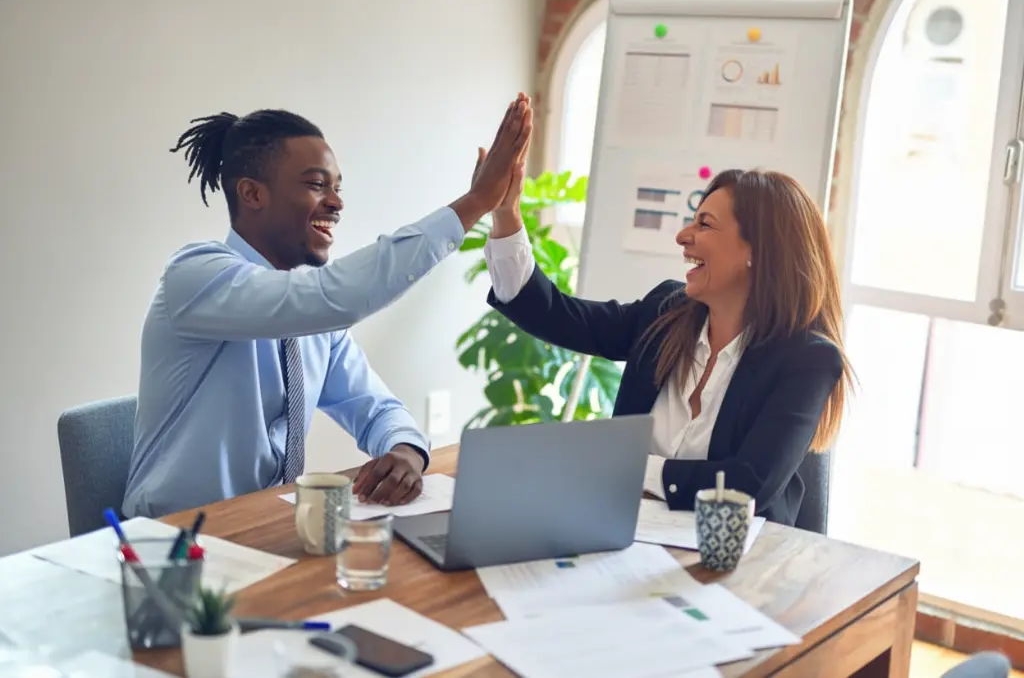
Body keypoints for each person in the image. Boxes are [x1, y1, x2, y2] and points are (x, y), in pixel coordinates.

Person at [122, 96, 533, 519]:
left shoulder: (314, 318)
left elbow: (376, 408)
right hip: (170, 542)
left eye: (337, 187)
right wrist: (475, 202)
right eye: (316, 184)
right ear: (252, 193)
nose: (336, 203)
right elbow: (332, 297)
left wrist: (406, 451)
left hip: (264, 529)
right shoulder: (195, 277)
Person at [480, 153, 852, 526]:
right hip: (627, 538)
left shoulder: (806, 360)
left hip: (736, 561)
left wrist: (633, 468)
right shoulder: (667, 312)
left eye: (704, 225)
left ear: (756, 251)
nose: (683, 236)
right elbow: (558, 316)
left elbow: (747, 486)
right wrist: (506, 214)